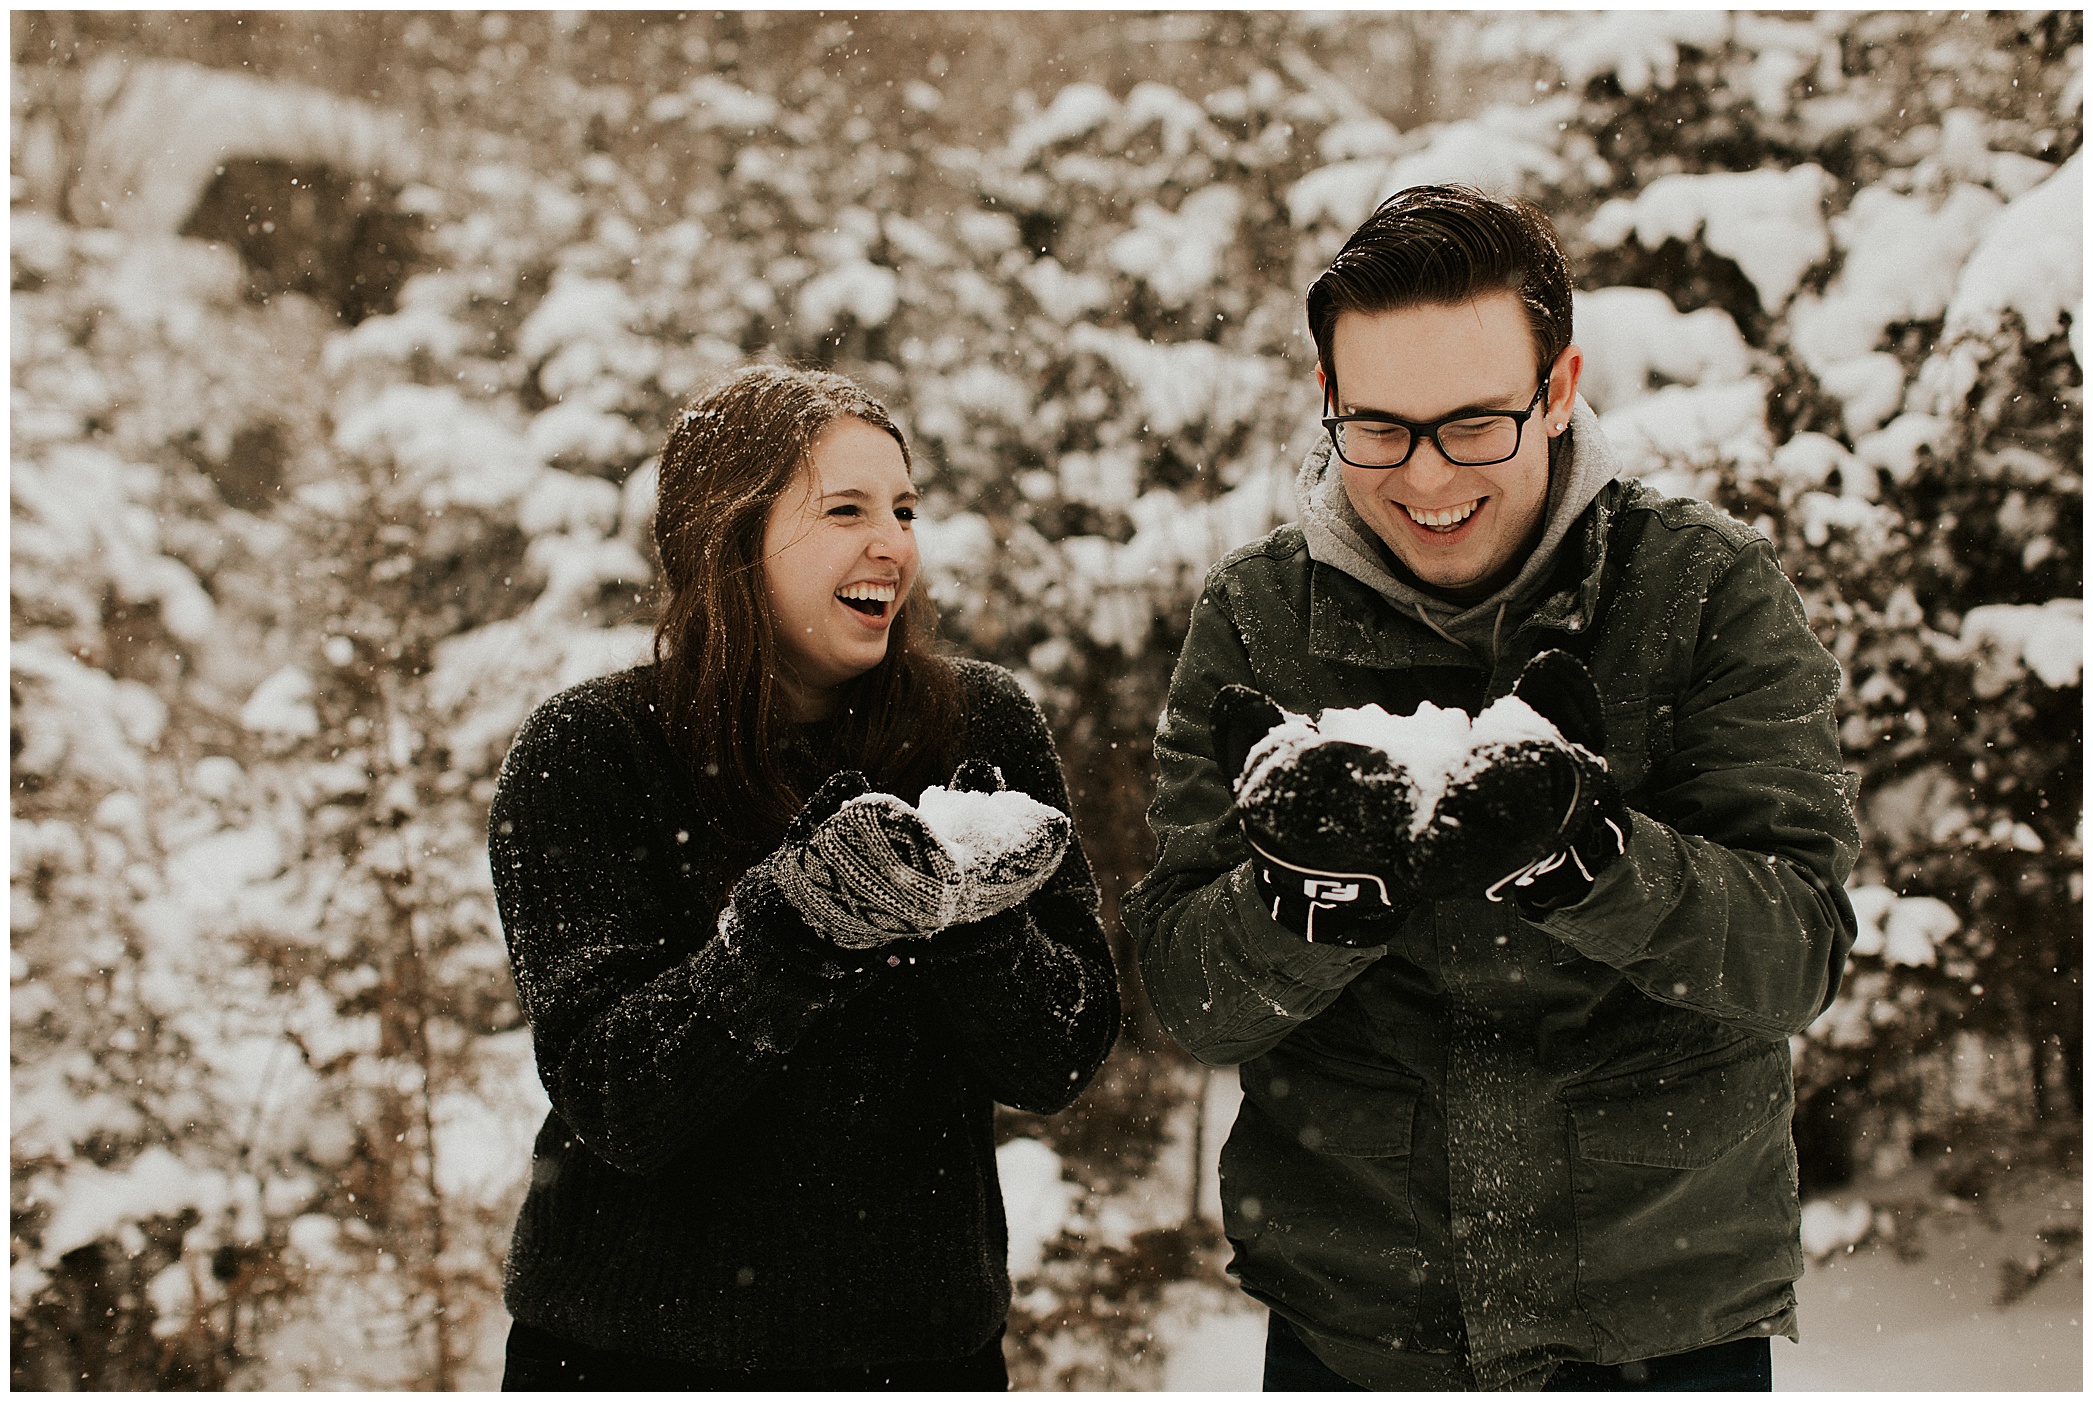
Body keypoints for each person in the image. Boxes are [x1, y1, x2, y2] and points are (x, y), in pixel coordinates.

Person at [1123, 185, 1860, 1391]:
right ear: (1328, 402)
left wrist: (1598, 865)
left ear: (1558, 389)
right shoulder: (1256, 619)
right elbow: (1185, 998)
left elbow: (1797, 954)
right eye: (1378, 426)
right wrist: (1293, 912)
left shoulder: (1701, 590)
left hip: (1658, 1319)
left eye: (1474, 425)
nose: (1424, 479)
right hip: (1360, 1328)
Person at [490, 363, 1120, 1390]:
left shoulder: (978, 725)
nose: (894, 543)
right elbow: (615, 1099)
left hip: (915, 1361)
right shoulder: (591, 749)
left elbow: (1061, 1052)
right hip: (628, 1358)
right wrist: (784, 931)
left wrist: (965, 915)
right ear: (726, 535)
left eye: (905, 508)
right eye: (845, 509)